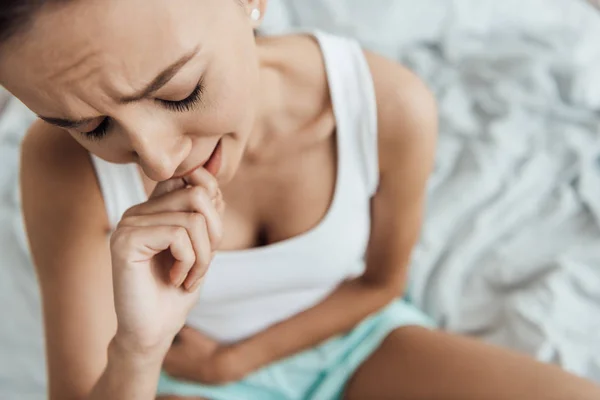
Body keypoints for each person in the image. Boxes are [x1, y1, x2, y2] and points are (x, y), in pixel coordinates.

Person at [1, 0, 599, 399]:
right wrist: (140, 347)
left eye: (180, 92)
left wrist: (232, 362)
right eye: (91, 127)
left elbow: (379, 284)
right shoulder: (60, 169)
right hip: (173, 382)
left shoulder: (386, 104)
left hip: (351, 344)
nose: (157, 160)